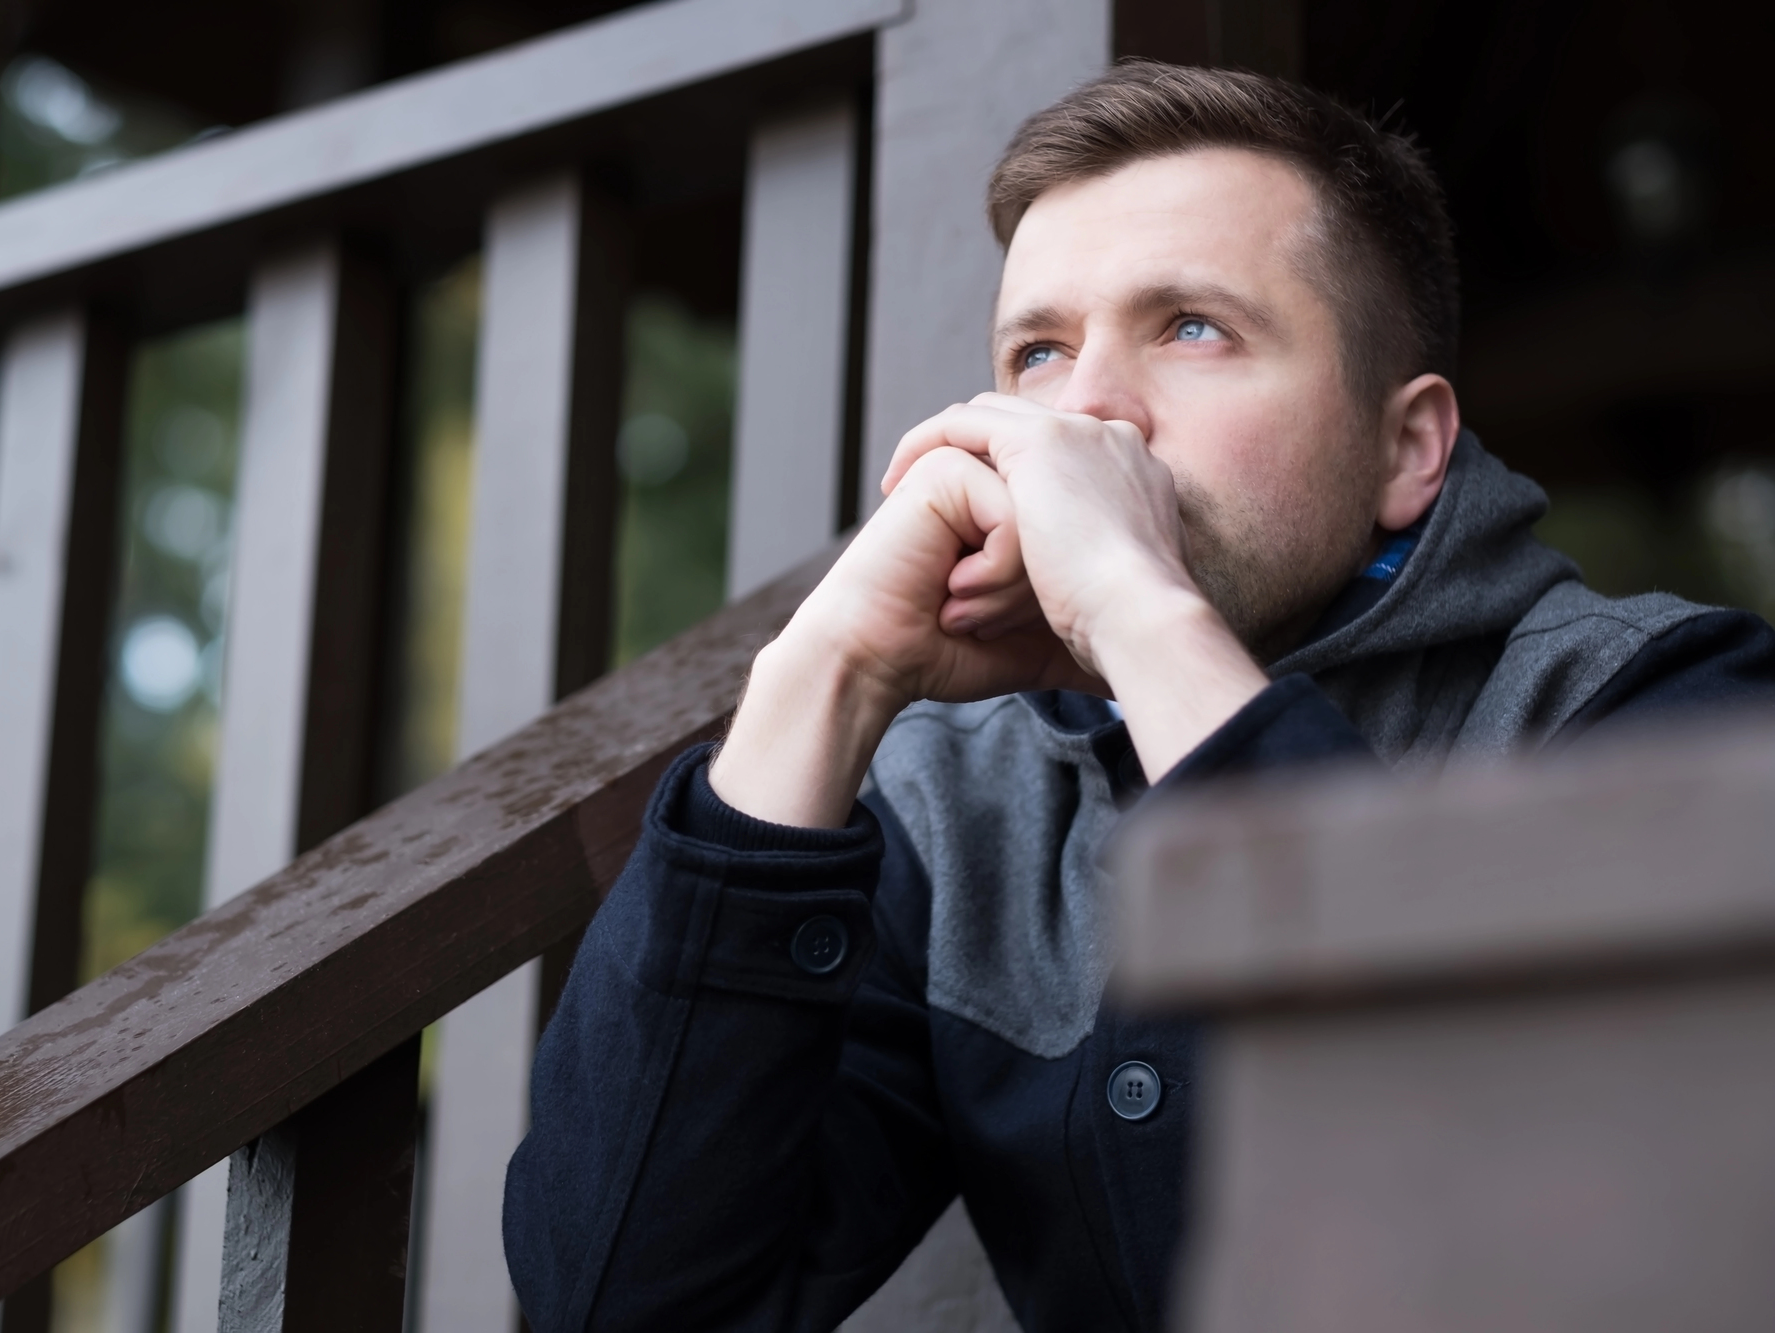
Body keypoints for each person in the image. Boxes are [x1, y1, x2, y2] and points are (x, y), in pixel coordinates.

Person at [501, 62, 1775, 1332]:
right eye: (1038, 351)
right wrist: (818, 680)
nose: (1085, 411)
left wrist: (1135, 610)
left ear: (1404, 449)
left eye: (1190, 327)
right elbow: (620, 1301)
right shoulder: (958, 805)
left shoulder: (1661, 704)